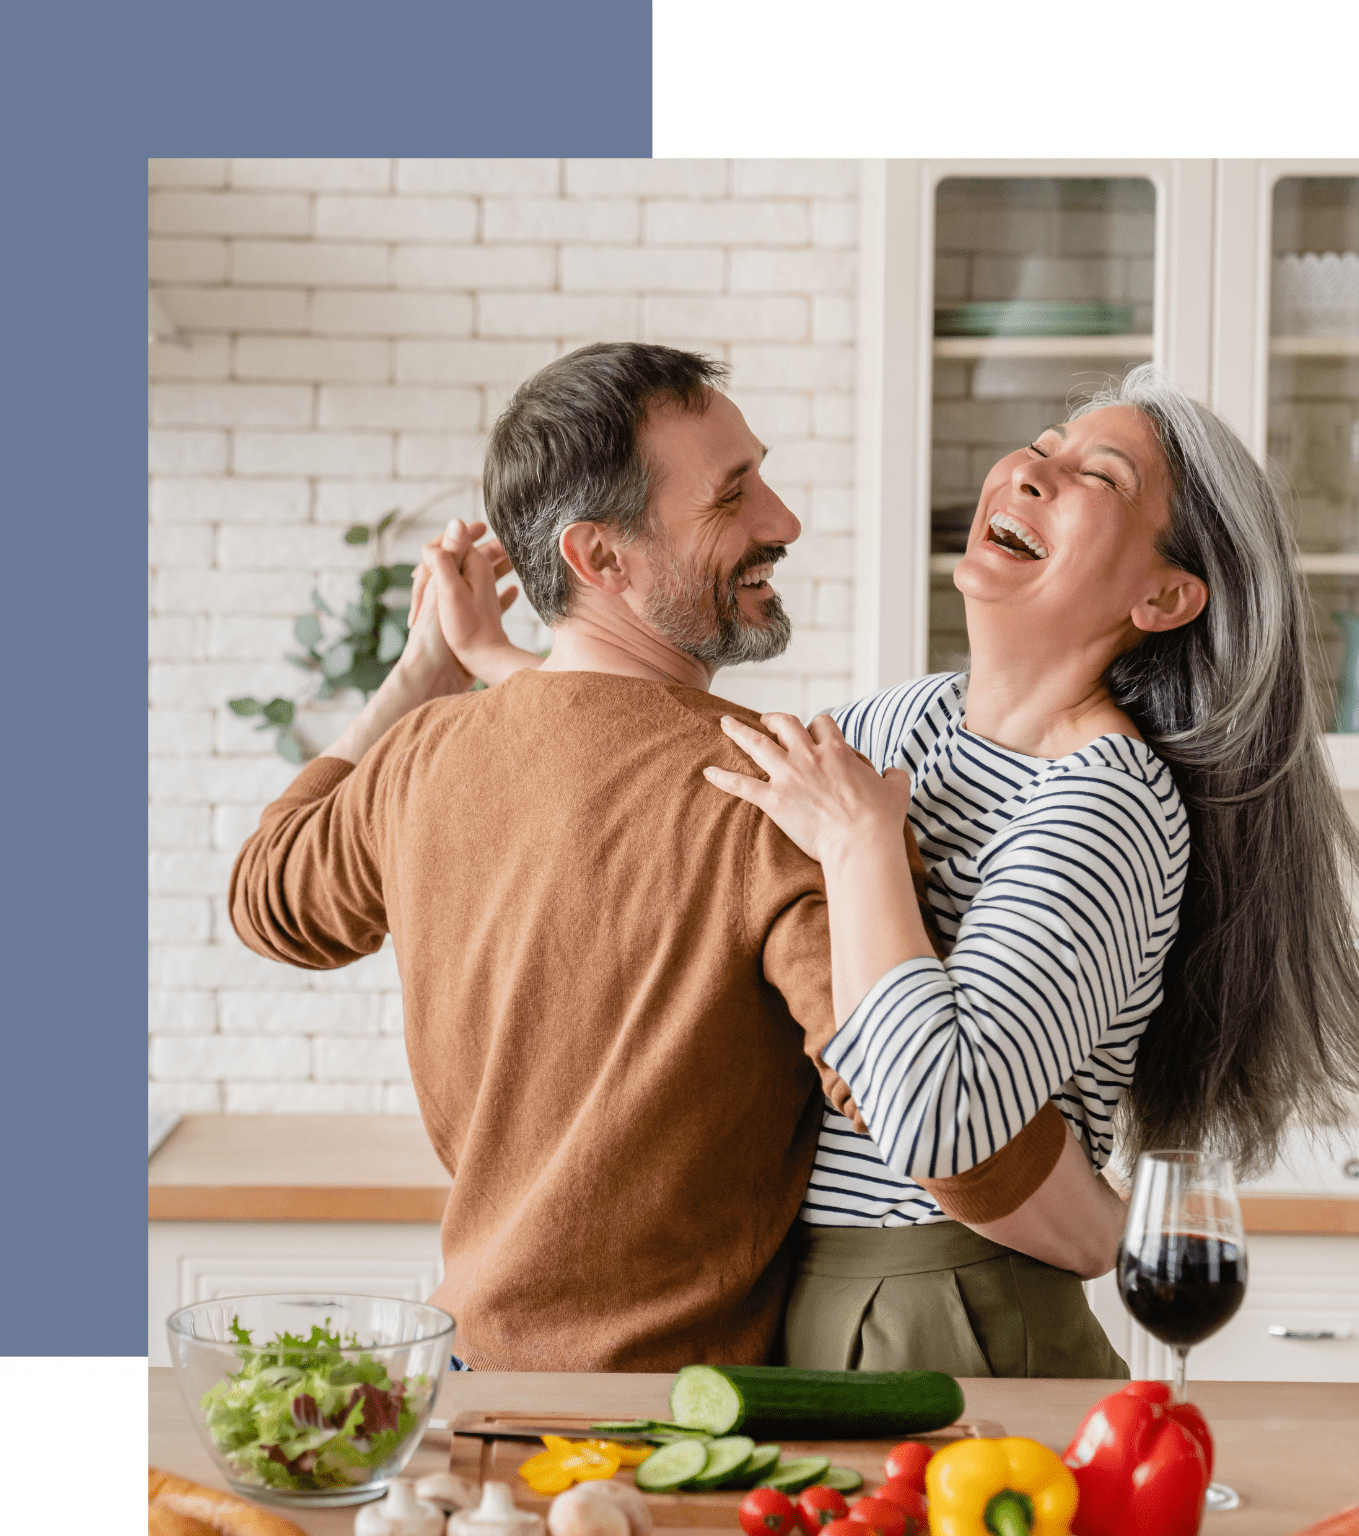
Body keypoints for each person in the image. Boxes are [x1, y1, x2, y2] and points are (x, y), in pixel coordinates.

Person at [425, 363, 1359, 1377]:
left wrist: (865, 848)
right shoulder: (902, 721)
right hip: (805, 1296)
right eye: (1043, 447)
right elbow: (683, 763)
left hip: (950, 1306)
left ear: (1162, 595)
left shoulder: (1103, 804)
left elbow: (939, 1121)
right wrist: (499, 660)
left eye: (1097, 477)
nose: (1029, 470)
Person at [228, 342, 1119, 1376]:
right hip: (665, 1422)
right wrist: (1106, 1232)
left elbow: (268, 898)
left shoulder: (422, 757)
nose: (780, 521)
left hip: (468, 1384)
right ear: (599, 559)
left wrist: (419, 673)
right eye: (731, 498)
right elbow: (926, 1115)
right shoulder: (769, 797)